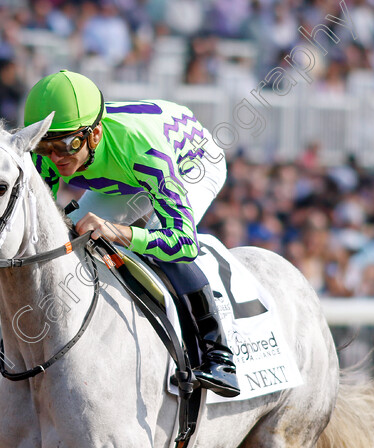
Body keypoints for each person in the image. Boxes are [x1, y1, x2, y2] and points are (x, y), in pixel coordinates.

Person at [23, 70, 237, 397]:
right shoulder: (54, 151)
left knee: (155, 243)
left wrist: (119, 232)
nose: (55, 158)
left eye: (67, 145)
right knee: (72, 235)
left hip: (189, 164)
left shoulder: (144, 151)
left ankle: (218, 352)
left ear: (94, 135)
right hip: (122, 176)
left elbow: (183, 243)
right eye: (43, 146)